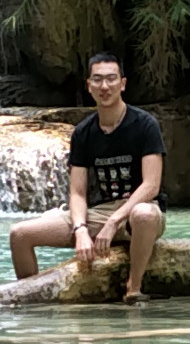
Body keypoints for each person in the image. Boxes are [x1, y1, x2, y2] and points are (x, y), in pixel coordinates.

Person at [9, 52, 166, 302]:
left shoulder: (145, 125)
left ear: (122, 84)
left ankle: (133, 289)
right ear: (89, 86)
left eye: (111, 79)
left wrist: (114, 221)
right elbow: (77, 192)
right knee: (20, 234)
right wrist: (81, 229)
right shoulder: (83, 133)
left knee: (143, 214)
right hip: (98, 214)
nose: (105, 86)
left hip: (138, 212)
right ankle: (31, 298)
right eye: (98, 80)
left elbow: (151, 185)